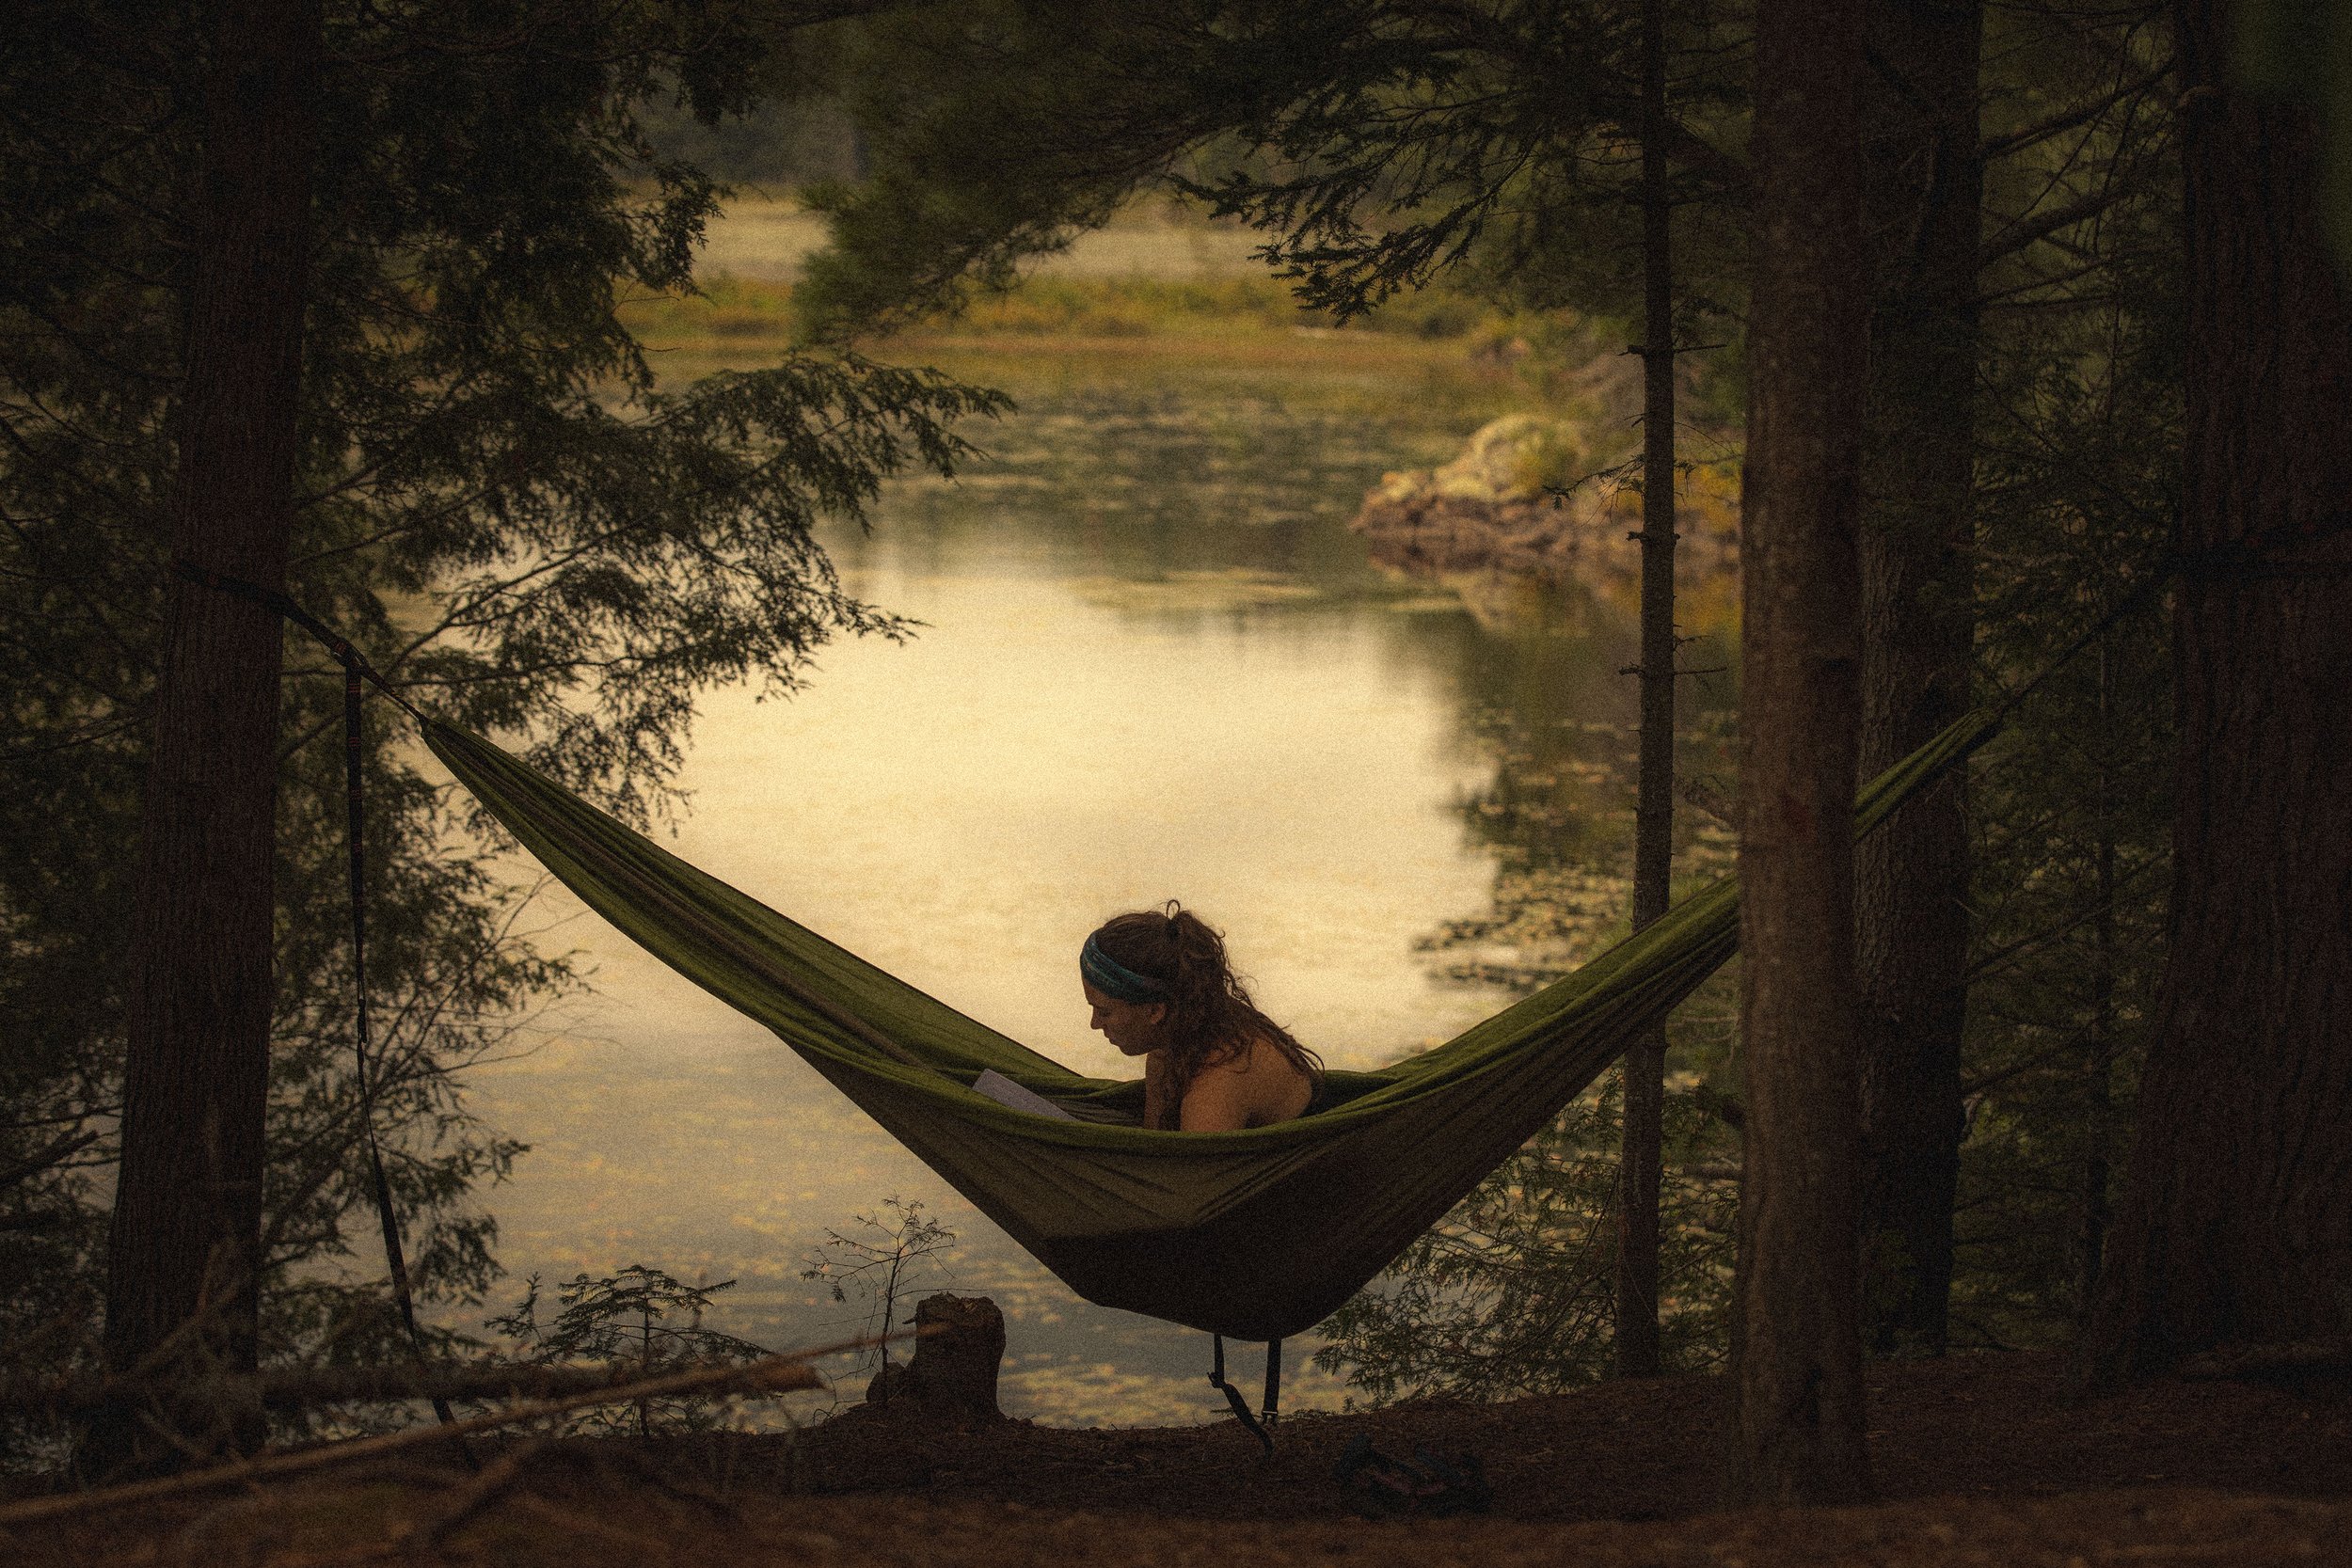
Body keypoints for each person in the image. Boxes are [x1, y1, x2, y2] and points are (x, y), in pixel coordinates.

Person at [1080, 903, 1323, 1132]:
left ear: (1155, 1011)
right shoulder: (1174, 1044)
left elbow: (1187, 1175)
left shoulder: (1216, 1084)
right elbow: (1155, 1145)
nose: (1094, 1024)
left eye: (1104, 1012)